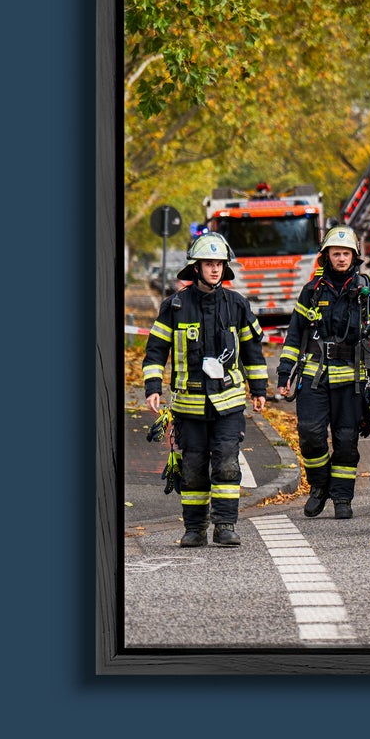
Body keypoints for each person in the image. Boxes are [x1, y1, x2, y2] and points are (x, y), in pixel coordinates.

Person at [141, 233, 269, 548]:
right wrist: (153, 387)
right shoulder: (175, 306)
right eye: (208, 263)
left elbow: (253, 351)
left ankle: (225, 525)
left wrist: (259, 389)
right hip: (189, 405)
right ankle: (195, 529)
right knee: (193, 469)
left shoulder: (237, 304)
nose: (214, 269)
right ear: (196, 268)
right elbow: (155, 350)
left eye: (219, 264)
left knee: (226, 463)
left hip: (228, 404)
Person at [277, 225, 370, 520]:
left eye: (346, 253)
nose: (341, 258)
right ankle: (319, 487)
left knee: (346, 440)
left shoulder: (368, 292)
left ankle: (342, 497)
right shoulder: (312, 291)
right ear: (326, 256)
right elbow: (294, 335)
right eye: (336, 253)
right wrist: (285, 373)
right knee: (310, 434)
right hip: (314, 376)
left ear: (354, 257)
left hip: (352, 380)